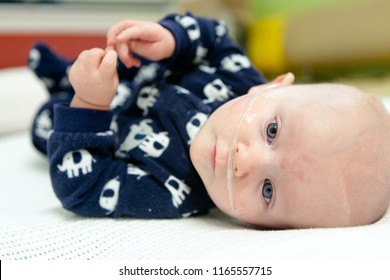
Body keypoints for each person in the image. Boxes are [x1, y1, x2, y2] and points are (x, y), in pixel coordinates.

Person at [29, 13, 390, 229]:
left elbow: (84, 189)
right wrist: (173, 39)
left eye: (268, 191)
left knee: (46, 122)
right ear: (272, 86)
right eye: (272, 131)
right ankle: (63, 72)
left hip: (99, 121)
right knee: (101, 63)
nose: (243, 161)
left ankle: (64, 87)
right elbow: (216, 38)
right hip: (135, 72)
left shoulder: (174, 192)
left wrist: (89, 101)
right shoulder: (240, 79)